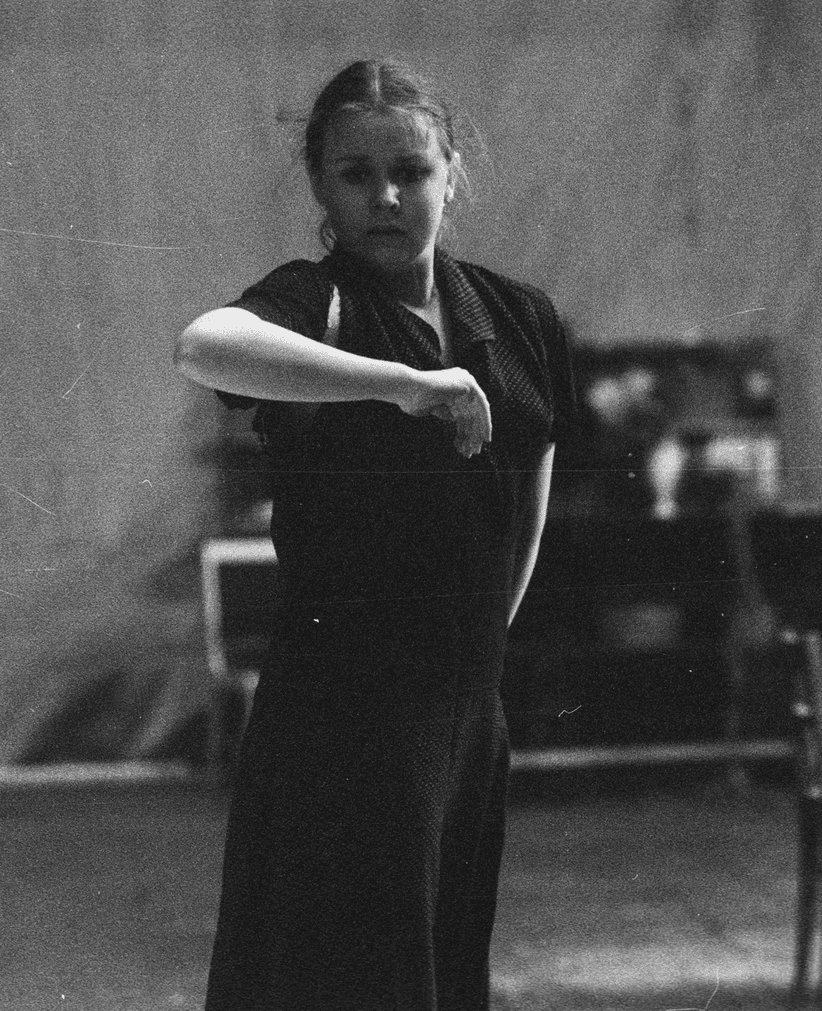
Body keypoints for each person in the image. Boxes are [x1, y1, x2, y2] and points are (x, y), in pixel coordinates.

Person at [174, 59, 576, 1011]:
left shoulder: (517, 315)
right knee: (354, 980)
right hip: (342, 713)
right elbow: (204, 346)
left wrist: (479, 646)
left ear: (451, 173)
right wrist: (401, 384)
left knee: (442, 972)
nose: (385, 198)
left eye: (411, 171)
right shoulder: (317, 303)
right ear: (320, 184)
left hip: (467, 711)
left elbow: (529, 488)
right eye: (356, 174)